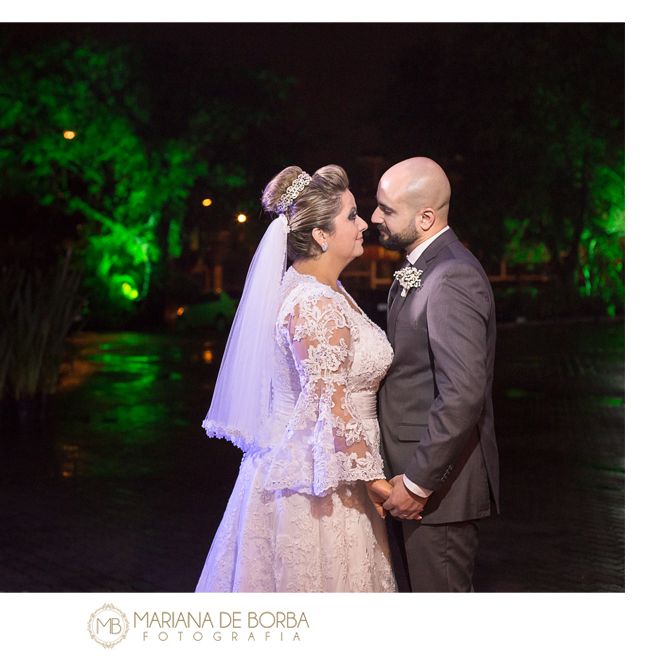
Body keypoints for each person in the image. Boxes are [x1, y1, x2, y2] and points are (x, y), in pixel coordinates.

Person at [196, 165, 398, 592]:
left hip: (333, 470)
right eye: (351, 216)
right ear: (322, 236)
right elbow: (330, 403)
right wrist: (378, 483)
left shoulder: (321, 288)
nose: (363, 224)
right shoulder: (314, 303)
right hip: (318, 486)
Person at [372, 157, 499, 592]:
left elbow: (463, 394)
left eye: (386, 209)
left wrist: (418, 482)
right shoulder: (424, 268)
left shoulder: (452, 275)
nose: (374, 218)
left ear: (425, 217)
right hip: (411, 485)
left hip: (436, 493)